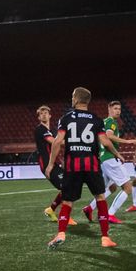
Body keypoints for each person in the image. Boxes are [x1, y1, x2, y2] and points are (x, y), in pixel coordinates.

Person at [44, 86, 122, 249]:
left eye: (73, 96)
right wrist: (116, 153)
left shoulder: (65, 118)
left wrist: (51, 164)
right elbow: (106, 141)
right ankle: (105, 238)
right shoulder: (96, 119)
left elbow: (58, 142)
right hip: (92, 165)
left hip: (73, 166)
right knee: (100, 197)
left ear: (77, 99)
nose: (72, 99)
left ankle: (61, 234)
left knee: (67, 201)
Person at [84, 100, 136, 224]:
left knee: (111, 188)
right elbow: (108, 136)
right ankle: (110, 214)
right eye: (115, 108)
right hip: (109, 158)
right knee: (128, 187)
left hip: (103, 159)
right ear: (109, 109)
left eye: (119, 109)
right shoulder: (111, 122)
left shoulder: (103, 122)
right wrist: (129, 141)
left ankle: (89, 208)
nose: (118, 111)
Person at [35, 105, 74, 224]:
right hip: (47, 165)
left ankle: (51, 210)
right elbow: (53, 142)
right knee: (67, 188)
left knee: (68, 186)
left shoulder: (49, 131)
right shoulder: (40, 129)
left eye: (46, 112)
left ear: (50, 115)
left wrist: (60, 160)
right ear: (38, 117)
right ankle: (65, 216)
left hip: (54, 163)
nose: (44, 114)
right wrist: (72, 140)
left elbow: (53, 148)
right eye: (41, 113)